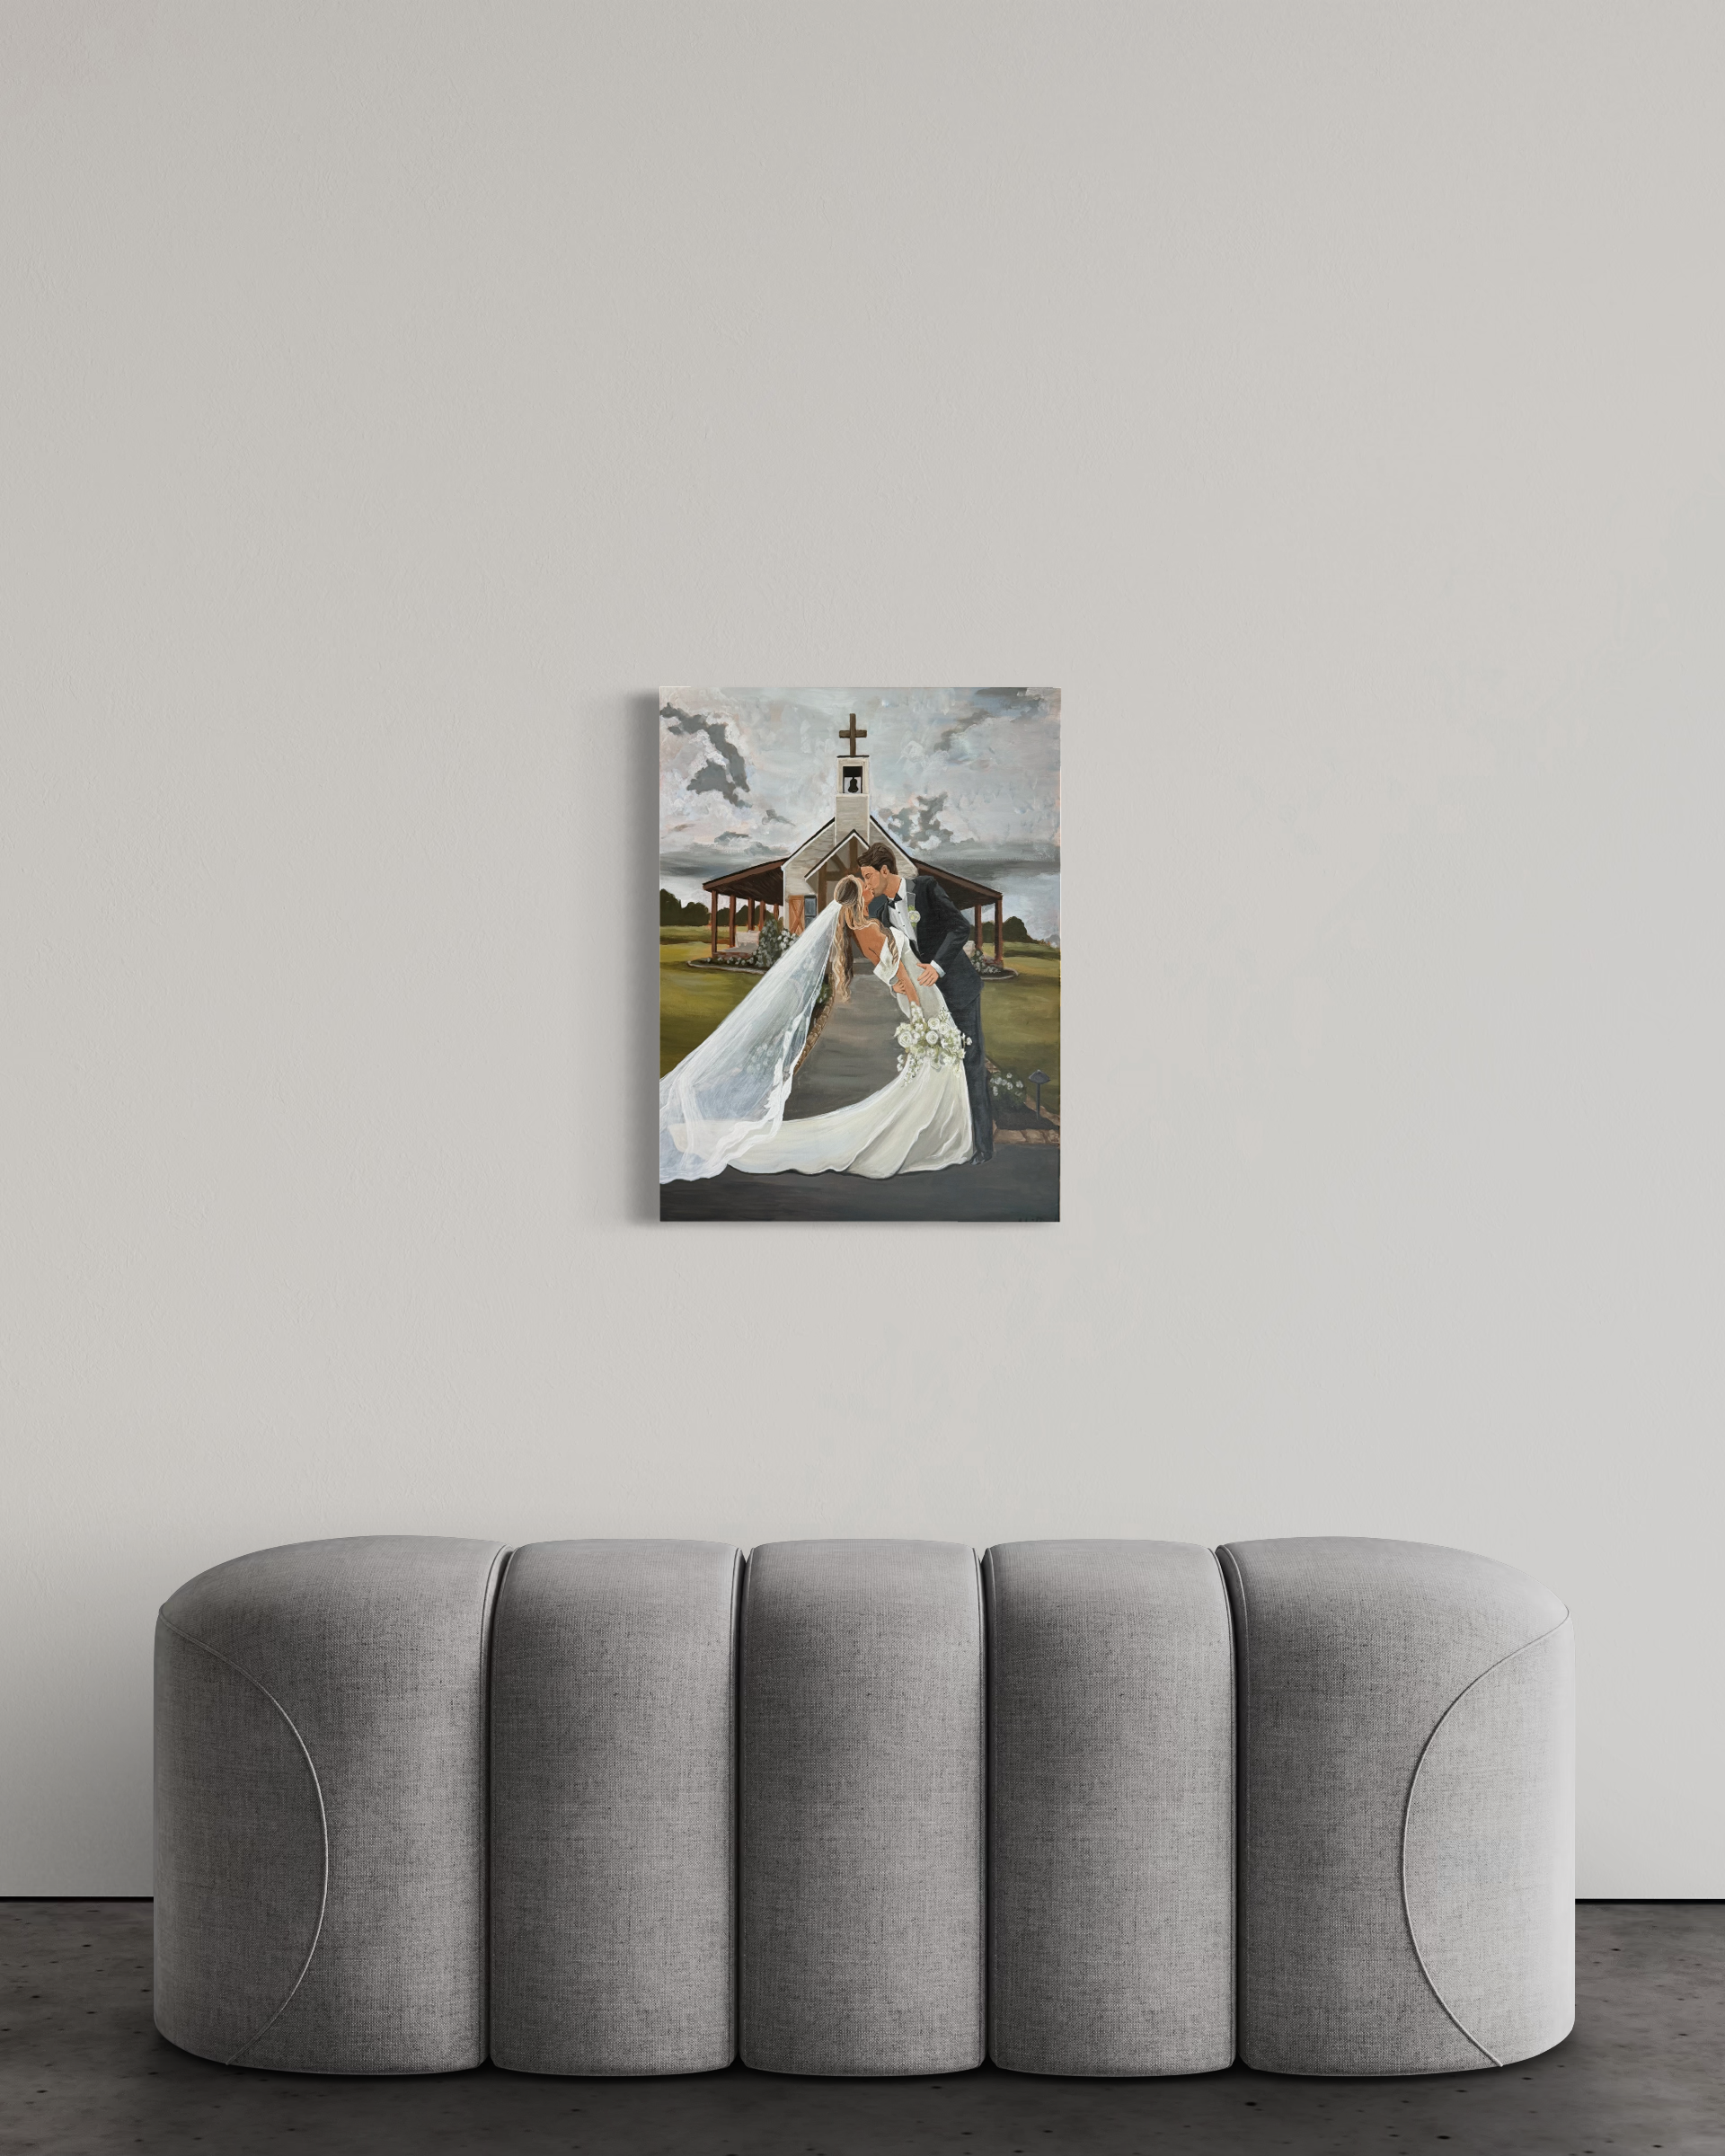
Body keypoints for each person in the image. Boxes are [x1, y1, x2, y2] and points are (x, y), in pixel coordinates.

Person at [721, 877, 972, 1178]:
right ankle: (937, 1134)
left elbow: (890, 976)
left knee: (938, 1065)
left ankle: (937, 1129)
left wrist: (901, 989)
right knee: (940, 1062)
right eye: (864, 886)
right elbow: (900, 975)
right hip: (922, 997)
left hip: (918, 993)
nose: (870, 888)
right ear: (857, 898)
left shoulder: (858, 930)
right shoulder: (869, 929)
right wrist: (919, 1017)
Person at [856, 843, 994, 1162]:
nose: (867, 884)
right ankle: (947, 1138)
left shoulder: (927, 888)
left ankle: (983, 1147)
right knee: (939, 1068)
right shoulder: (878, 910)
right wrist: (895, 983)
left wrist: (938, 966)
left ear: (885, 870)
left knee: (971, 1064)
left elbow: (961, 927)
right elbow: (885, 958)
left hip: (957, 990)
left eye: (868, 876)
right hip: (928, 1003)